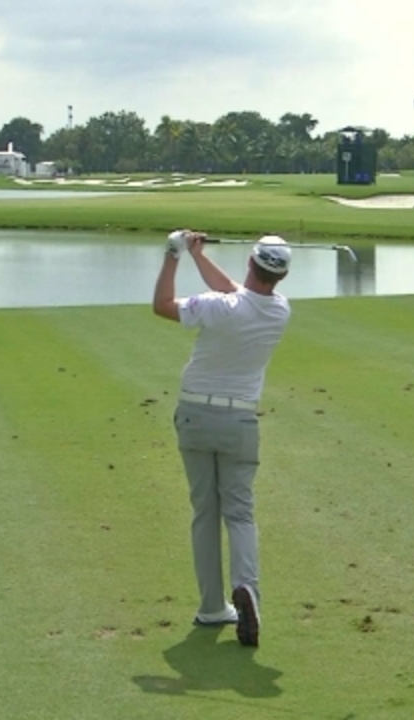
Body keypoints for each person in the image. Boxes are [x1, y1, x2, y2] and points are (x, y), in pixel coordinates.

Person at [152, 229, 293, 648]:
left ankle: (213, 606)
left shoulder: (217, 308)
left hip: (195, 415)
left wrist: (173, 253)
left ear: (250, 263)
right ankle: (246, 587)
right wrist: (198, 254)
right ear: (280, 275)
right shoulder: (279, 310)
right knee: (240, 513)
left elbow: (161, 306)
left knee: (204, 512)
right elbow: (237, 292)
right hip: (240, 424)